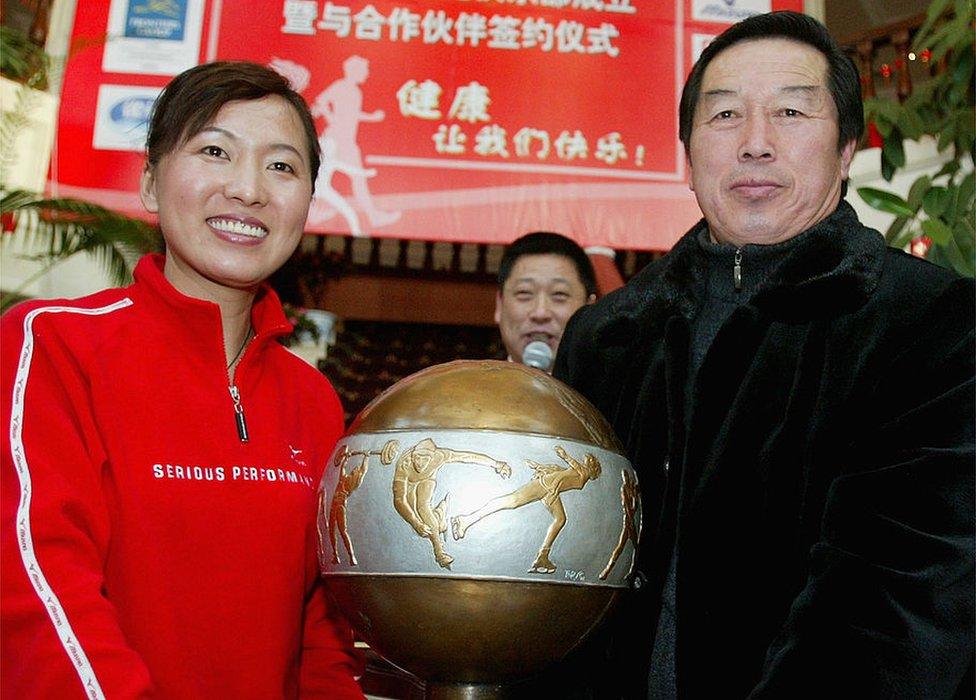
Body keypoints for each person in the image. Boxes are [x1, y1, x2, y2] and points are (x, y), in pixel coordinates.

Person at [554, 11, 974, 699]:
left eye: (790, 111)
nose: (755, 143)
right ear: (688, 153)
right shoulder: (606, 338)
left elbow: (898, 603)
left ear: (845, 150)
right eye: (724, 115)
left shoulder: (932, 323)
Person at [1, 62, 364, 698]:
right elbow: (36, 581)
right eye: (215, 152)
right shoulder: (54, 344)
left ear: (308, 201)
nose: (249, 189)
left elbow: (321, 632)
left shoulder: (313, 402)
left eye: (282, 166)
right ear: (149, 182)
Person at [495, 231, 596, 371]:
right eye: (524, 292)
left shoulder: (610, 392)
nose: (540, 313)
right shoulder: (466, 389)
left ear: (589, 310)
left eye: (559, 294)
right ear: (499, 305)